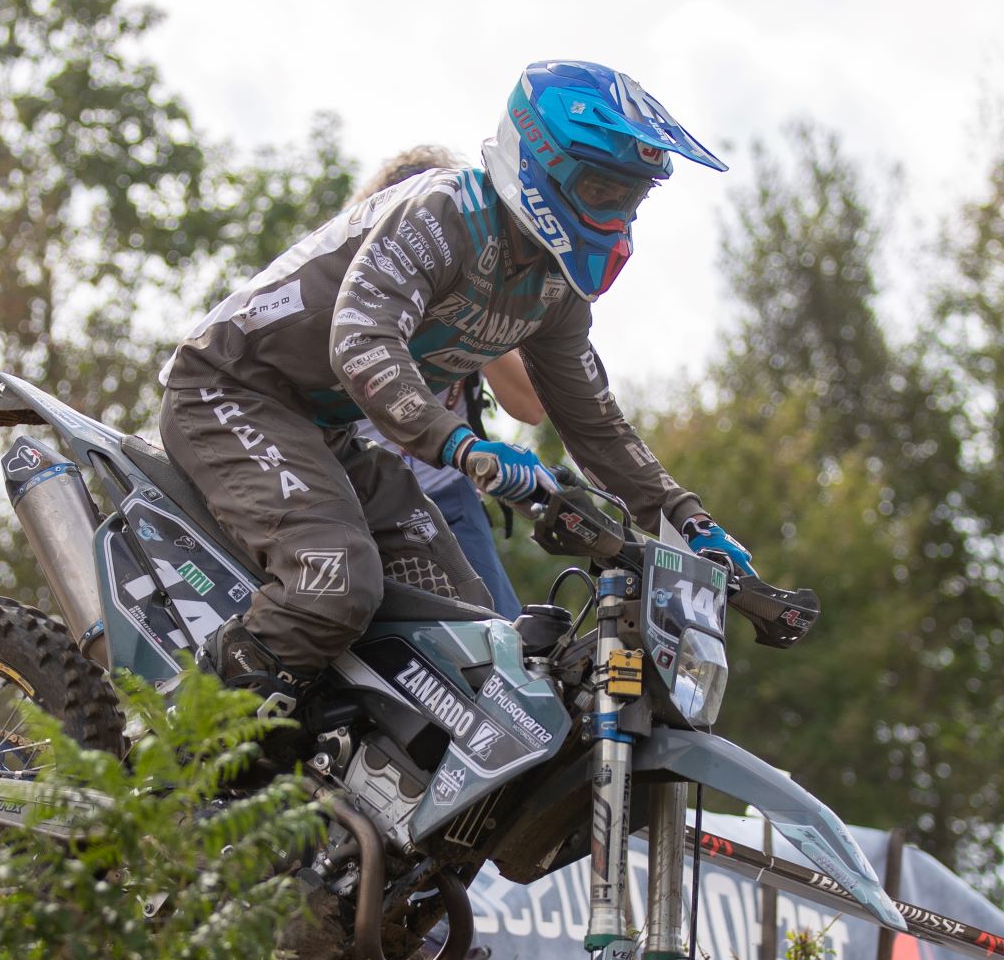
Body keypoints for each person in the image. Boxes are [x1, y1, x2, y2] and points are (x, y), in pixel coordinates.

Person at [161, 59, 758, 718]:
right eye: (604, 190)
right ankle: (166, 739)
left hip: (322, 429)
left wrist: (687, 519)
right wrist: (463, 446)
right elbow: (362, 339)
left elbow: (592, 421)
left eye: (632, 199)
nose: (618, 215)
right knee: (332, 584)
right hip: (233, 388)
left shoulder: (554, 288)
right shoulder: (444, 211)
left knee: (471, 635)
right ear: (542, 164)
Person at [343, 145, 546, 616]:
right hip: (348, 489)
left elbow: (531, 407)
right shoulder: (358, 279)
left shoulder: (472, 281)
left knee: (497, 638)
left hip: (444, 495)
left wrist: (481, 310)